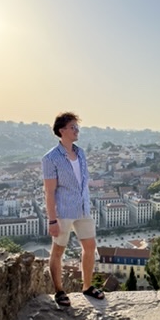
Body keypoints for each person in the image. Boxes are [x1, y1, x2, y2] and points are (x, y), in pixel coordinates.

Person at [42, 111, 104, 306]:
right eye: (73, 127)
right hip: (64, 211)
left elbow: (81, 181)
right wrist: (52, 220)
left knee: (90, 247)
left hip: (83, 208)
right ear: (62, 131)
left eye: (77, 127)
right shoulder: (51, 158)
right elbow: (49, 192)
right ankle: (59, 291)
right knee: (58, 251)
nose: (77, 130)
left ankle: (87, 286)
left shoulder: (81, 153)